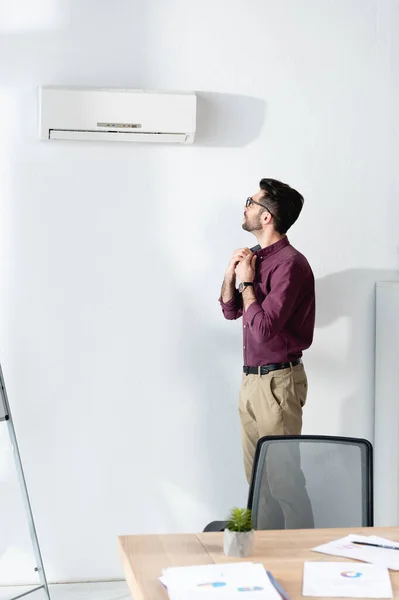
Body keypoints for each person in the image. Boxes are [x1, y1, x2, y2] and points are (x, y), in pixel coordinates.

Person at [219, 178, 315, 529]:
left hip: (278, 383)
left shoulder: (290, 265)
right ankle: (265, 559)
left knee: (284, 481)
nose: (245, 206)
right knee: (258, 482)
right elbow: (230, 311)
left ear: (266, 217)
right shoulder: (254, 259)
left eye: (251, 201)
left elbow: (263, 327)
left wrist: (247, 283)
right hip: (251, 381)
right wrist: (232, 275)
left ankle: (303, 560)